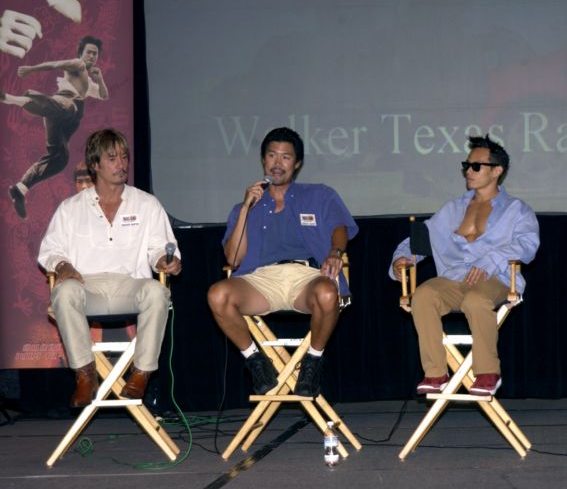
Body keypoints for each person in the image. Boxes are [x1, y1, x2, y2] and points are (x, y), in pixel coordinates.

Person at [207, 127, 358, 398]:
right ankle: (256, 362)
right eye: (272, 155)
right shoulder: (245, 207)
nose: (277, 163)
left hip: (307, 276)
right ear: (263, 160)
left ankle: (312, 362)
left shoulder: (319, 194)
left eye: (286, 157)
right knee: (217, 294)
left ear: (297, 164)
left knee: (328, 292)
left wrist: (335, 252)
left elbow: (339, 227)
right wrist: (245, 208)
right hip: (259, 280)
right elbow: (233, 258)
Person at [38, 128, 182, 407]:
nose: (122, 164)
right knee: (64, 292)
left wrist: (165, 260)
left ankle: (141, 373)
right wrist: (63, 265)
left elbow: (161, 247)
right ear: (95, 165)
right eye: (112, 158)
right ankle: (85, 374)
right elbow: (50, 251)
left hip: (129, 284)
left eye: (124, 157)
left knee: (157, 292)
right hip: (86, 286)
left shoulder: (146, 203)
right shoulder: (71, 208)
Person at [389, 135, 540, 397]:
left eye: (476, 166)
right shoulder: (453, 208)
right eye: (466, 165)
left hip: (497, 279)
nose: (469, 171)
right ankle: (436, 373)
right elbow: (421, 239)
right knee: (423, 295)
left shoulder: (516, 209)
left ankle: (488, 372)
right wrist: (400, 260)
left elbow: (528, 245)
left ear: (497, 171)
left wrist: (490, 259)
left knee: (476, 299)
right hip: (454, 278)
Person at [3, 35, 108, 219]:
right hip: (63, 103)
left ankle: (20, 189)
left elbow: (104, 96)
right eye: (89, 52)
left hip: (61, 119)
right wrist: (31, 69)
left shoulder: (88, 82)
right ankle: (14, 99)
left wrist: (99, 79)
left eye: (95, 54)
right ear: (81, 53)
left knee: (60, 158)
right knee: (69, 107)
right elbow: (54, 64)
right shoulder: (77, 64)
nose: (92, 56)